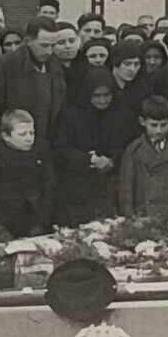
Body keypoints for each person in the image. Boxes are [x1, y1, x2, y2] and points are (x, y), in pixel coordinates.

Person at [0, 16, 66, 148]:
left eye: (53, 45)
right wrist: (6, 145)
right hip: (11, 149)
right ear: (28, 41)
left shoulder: (55, 66)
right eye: (44, 45)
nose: (49, 51)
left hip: (46, 148)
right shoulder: (1, 66)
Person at [52, 67, 122, 226]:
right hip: (76, 189)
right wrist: (89, 159)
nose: (103, 100)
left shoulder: (117, 114)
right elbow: (59, 150)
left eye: (107, 95)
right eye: (97, 95)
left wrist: (111, 161)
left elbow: (124, 146)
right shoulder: (70, 115)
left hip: (107, 187)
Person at [0, 109, 54, 239]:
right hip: (3, 220)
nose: (29, 138)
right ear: (6, 136)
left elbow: (49, 185)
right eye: (22, 134)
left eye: (32, 133)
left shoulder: (41, 148)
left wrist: (42, 222)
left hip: (34, 219)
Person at [108, 39, 150, 150]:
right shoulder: (103, 85)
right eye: (127, 64)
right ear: (115, 63)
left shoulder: (143, 89)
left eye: (136, 64)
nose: (132, 69)